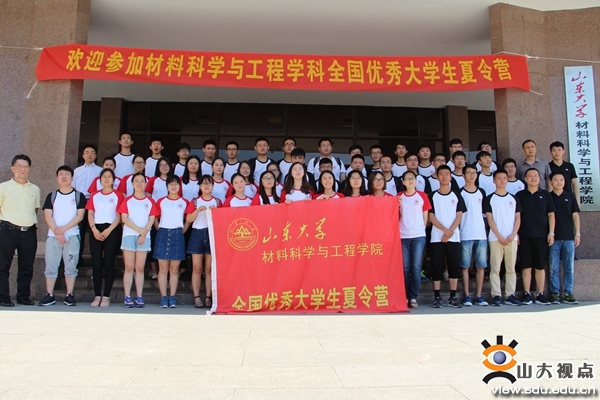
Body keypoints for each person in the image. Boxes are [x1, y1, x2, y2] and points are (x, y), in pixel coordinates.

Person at [39, 165, 86, 307]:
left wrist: (64, 230)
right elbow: (48, 216)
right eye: (61, 174)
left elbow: (80, 216)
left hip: (72, 236)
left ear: (72, 178)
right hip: (53, 236)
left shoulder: (78, 196)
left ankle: (69, 295)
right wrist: (57, 232)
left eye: (67, 174)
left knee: (71, 266)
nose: (64, 176)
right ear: (57, 178)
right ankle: (49, 295)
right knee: (51, 266)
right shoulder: (52, 196)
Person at [0, 155, 41, 307]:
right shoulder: (3, 187)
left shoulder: (35, 189)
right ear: (12, 168)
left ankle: (23, 296)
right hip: (7, 230)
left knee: (27, 266)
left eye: (25, 166)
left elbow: (35, 209)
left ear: (29, 169)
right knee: (3, 265)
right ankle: (3, 297)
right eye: (19, 166)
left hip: (29, 232)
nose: (22, 169)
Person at [428, 165, 466, 308]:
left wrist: (450, 232)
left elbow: (459, 215)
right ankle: (437, 296)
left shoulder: (457, 195)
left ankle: (453, 296)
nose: (444, 177)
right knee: (436, 267)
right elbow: (431, 217)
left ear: (451, 177)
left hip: (453, 237)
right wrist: (444, 230)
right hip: (436, 237)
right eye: (441, 174)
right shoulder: (432, 196)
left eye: (447, 174)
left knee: (453, 267)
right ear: (437, 177)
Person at [515, 168, 555, 305]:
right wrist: (516, 233)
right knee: (526, 265)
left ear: (540, 178)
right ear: (525, 179)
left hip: (541, 235)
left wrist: (551, 233)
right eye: (530, 176)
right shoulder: (520, 195)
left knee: (540, 265)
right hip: (524, 235)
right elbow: (516, 217)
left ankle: (540, 294)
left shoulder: (546, 195)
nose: (533, 178)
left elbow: (551, 215)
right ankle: (527, 293)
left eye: (536, 176)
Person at [117, 172, 158, 308]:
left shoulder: (150, 201)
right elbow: (124, 218)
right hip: (129, 235)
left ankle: (139, 296)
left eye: (142, 181)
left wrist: (143, 233)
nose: (139, 183)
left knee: (139, 268)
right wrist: (139, 230)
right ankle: (127, 296)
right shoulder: (127, 200)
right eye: (136, 181)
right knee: (129, 267)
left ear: (146, 184)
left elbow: (151, 219)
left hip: (144, 236)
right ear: (132, 184)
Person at [86, 168, 124, 307]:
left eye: (109, 176)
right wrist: (93, 229)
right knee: (96, 264)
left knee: (109, 263)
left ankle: (106, 296)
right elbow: (90, 213)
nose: (106, 179)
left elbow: (119, 215)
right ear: (100, 180)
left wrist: (109, 230)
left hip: (112, 230)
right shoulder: (95, 195)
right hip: (96, 229)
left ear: (113, 180)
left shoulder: (118, 195)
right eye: (104, 177)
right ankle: (97, 295)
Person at [484, 169, 522, 306]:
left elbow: (518, 219)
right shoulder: (489, 199)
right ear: (494, 181)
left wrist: (513, 234)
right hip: (495, 238)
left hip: (512, 238)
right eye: (499, 178)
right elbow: (490, 219)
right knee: (495, 268)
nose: (502, 180)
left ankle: (510, 294)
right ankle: (496, 295)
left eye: (504, 178)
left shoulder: (513, 198)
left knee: (511, 268)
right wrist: (499, 236)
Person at [154, 175, 190, 308]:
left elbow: (188, 218)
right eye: (171, 184)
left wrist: (182, 230)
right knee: (163, 269)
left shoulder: (184, 202)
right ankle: (164, 297)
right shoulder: (161, 201)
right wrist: (159, 229)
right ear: (167, 186)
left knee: (174, 269)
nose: (173, 186)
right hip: (163, 233)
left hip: (177, 234)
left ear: (180, 186)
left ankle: (173, 296)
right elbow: (155, 217)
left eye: (176, 184)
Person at [186, 175, 221, 308]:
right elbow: (188, 219)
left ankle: (208, 297)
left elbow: (223, 219)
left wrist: (216, 211)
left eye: (209, 183)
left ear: (213, 186)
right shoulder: (195, 201)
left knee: (209, 268)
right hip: (197, 234)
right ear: (200, 186)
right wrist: (197, 211)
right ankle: (196, 297)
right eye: (204, 184)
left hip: (212, 234)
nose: (206, 186)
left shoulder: (217, 202)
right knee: (197, 268)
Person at [398, 170, 431, 308]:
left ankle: (413, 297)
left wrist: (422, 229)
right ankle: (405, 296)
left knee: (416, 267)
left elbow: (425, 216)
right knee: (405, 267)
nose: (410, 180)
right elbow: (395, 215)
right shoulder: (399, 196)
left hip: (418, 236)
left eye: (412, 178)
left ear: (416, 180)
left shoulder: (422, 195)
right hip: (403, 235)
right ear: (403, 182)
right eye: (407, 178)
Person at [548, 172, 580, 305]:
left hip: (568, 237)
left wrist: (577, 234)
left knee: (569, 267)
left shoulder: (570, 196)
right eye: (556, 180)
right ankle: (554, 293)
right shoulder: (548, 197)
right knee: (553, 267)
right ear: (551, 182)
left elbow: (575, 216)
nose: (559, 182)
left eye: (561, 180)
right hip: (554, 238)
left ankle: (568, 293)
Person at [458, 165, 488, 307]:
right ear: (463, 176)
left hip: (481, 234)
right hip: (465, 234)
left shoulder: (481, 192)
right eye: (469, 173)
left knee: (481, 266)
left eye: (474, 173)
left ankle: (479, 295)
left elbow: (485, 213)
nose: (472, 175)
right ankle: (467, 295)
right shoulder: (459, 193)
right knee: (465, 266)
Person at [72, 145, 102, 268]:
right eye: (87, 152)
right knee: (80, 231)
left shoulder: (100, 171)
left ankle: (97, 262)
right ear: (83, 155)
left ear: (96, 155)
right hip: (81, 202)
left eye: (92, 152)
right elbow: (73, 187)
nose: (89, 155)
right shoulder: (77, 171)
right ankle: (78, 260)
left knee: (96, 231)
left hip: (95, 202)